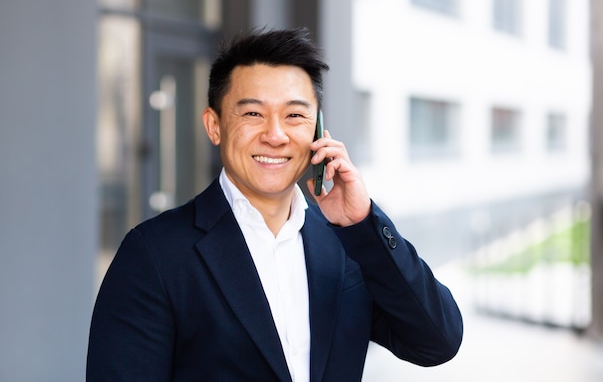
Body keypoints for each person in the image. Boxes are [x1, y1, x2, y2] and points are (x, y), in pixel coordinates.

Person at [86, 27, 463, 382]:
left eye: (295, 115)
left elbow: (436, 342)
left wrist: (363, 222)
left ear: (317, 130)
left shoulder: (350, 243)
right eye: (253, 114)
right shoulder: (153, 254)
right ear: (214, 125)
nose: (276, 135)